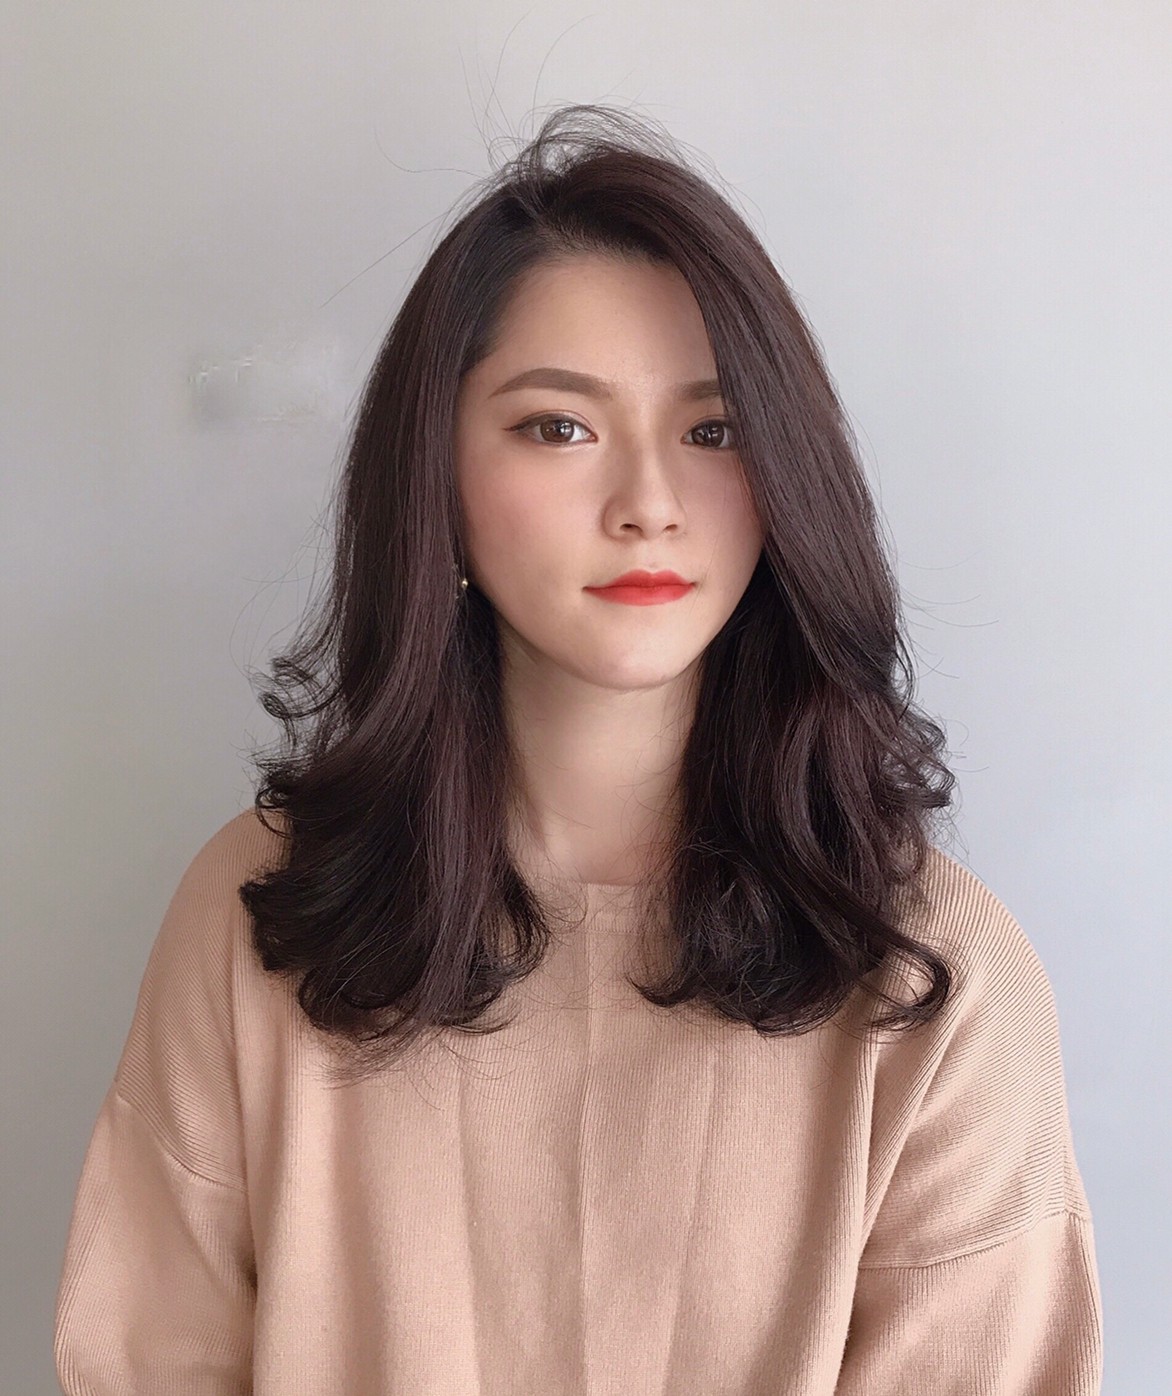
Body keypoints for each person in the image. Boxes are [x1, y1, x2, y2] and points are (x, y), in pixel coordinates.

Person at [53, 103, 1103, 1394]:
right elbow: (152, 1356)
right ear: (436, 477)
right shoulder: (259, 915)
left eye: (714, 431)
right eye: (559, 426)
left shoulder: (932, 975)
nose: (648, 504)